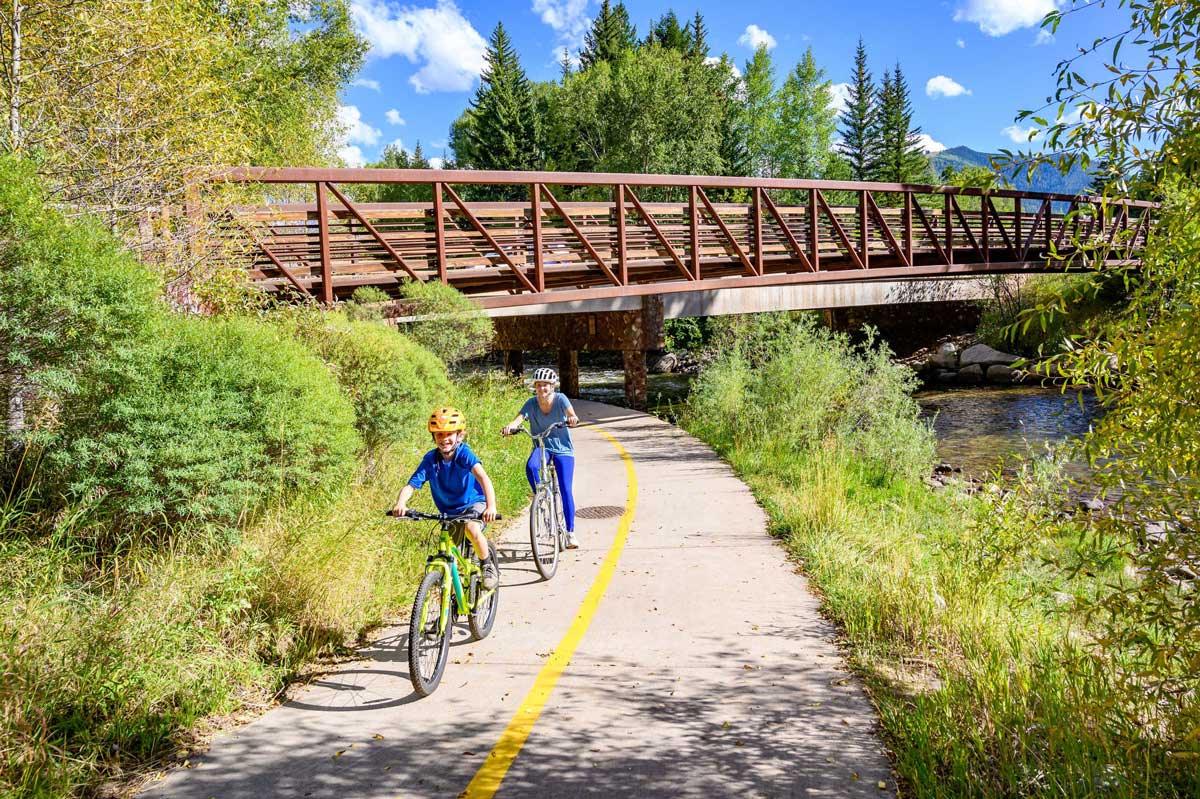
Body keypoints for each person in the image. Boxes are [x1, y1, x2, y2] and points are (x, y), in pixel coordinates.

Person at [392, 406, 500, 589]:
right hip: (449, 511)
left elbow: (484, 478)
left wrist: (491, 506)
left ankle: (487, 565)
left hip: (474, 503)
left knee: (472, 529)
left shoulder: (463, 454)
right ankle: (450, 596)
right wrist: (401, 503)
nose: (444, 439)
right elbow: (411, 486)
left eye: (449, 434)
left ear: (460, 435)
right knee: (448, 551)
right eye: (439, 435)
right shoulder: (430, 460)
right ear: (433, 437)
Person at [502, 367, 581, 548]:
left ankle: (570, 533)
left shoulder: (561, 399)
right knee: (531, 467)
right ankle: (541, 497)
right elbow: (519, 418)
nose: (542, 389)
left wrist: (572, 419)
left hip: (562, 449)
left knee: (565, 489)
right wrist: (510, 427)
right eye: (539, 385)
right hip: (542, 446)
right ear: (535, 387)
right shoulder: (531, 403)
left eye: (545, 385)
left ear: (552, 386)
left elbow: (571, 414)